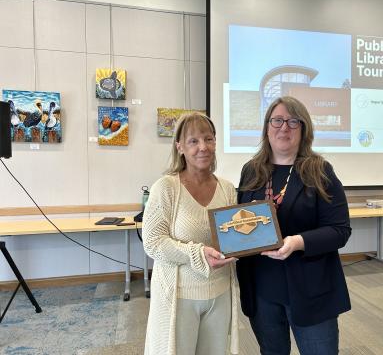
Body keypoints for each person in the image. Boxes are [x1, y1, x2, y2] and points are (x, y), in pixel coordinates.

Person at [236, 96, 351, 355]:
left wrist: (297, 242)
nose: (283, 128)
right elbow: (238, 220)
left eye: (293, 121)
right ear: (267, 127)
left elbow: (340, 230)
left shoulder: (319, 171)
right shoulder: (251, 170)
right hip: (262, 288)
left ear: (304, 129)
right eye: (277, 120)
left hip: (310, 289)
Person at [143, 112, 239, 355]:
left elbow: (233, 237)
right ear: (180, 147)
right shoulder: (165, 187)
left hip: (220, 293)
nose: (203, 147)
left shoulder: (227, 189)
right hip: (177, 295)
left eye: (208, 139)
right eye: (193, 141)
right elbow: (153, 243)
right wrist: (197, 253)